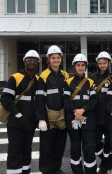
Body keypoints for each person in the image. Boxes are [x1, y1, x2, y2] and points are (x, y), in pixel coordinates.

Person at [0, 50, 40, 174]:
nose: (32, 63)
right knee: (15, 150)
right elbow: (5, 98)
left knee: (27, 149)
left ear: (38, 63)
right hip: (16, 122)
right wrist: (17, 114)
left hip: (30, 122)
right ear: (24, 62)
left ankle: (25, 171)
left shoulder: (38, 80)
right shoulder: (15, 77)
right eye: (29, 60)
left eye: (35, 61)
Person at [35, 45, 70, 174]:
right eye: (53, 58)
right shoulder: (43, 76)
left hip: (62, 115)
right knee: (46, 146)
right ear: (49, 59)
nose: (56, 60)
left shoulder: (65, 75)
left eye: (58, 57)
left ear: (61, 59)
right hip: (48, 116)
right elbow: (39, 99)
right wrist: (41, 118)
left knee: (59, 145)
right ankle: (46, 170)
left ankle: (56, 168)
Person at [63, 53, 98, 174]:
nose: (80, 67)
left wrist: (83, 110)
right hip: (74, 120)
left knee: (89, 148)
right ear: (74, 66)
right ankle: (77, 171)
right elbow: (66, 101)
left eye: (83, 65)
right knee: (75, 148)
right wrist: (76, 112)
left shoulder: (91, 82)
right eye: (78, 65)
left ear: (86, 67)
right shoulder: (67, 82)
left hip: (88, 120)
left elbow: (94, 100)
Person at [89, 52, 112, 174]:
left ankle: (104, 167)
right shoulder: (92, 78)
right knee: (95, 142)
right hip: (95, 116)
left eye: (105, 63)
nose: (102, 65)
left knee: (109, 143)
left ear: (109, 63)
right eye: (100, 63)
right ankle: (109, 160)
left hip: (109, 116)